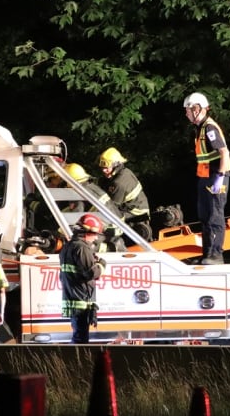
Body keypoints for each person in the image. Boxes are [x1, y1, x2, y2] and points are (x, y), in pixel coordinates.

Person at [184, 92, 230, 265]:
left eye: (188, 110)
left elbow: (224, 152)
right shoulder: (201, 128)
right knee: (205, 216)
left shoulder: (210, 128)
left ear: (197, 109)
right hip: (205, 177)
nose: (186, 114)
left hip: (215, 177)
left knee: (215, 215)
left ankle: (216, 254)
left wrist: (220, 177)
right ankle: (207, 254)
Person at [59, 214, 107, 344]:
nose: (96, 238)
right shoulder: (82, 247)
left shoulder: (68, 246)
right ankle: (75, 363)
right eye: (95, 234)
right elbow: (91, 273)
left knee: (78, 336)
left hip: (73, 299)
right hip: (81, 301)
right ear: (87, 232)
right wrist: (101, 264)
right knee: (80, 340)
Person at [65, 162, 126, 252]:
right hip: (116, 226)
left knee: (82, 241)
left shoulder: (77, 192)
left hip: (105, 229)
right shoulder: (89, 185)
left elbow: (76, 218)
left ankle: (112, 248)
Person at [98, 147, 152, 241]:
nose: (103, 171)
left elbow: (111, 207)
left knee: (107, 223)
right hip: (136, 207)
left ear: (116, 165)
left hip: (135, 213)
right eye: (103, 168)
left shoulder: (118, 183)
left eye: (107, 168)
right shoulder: (123, 171)